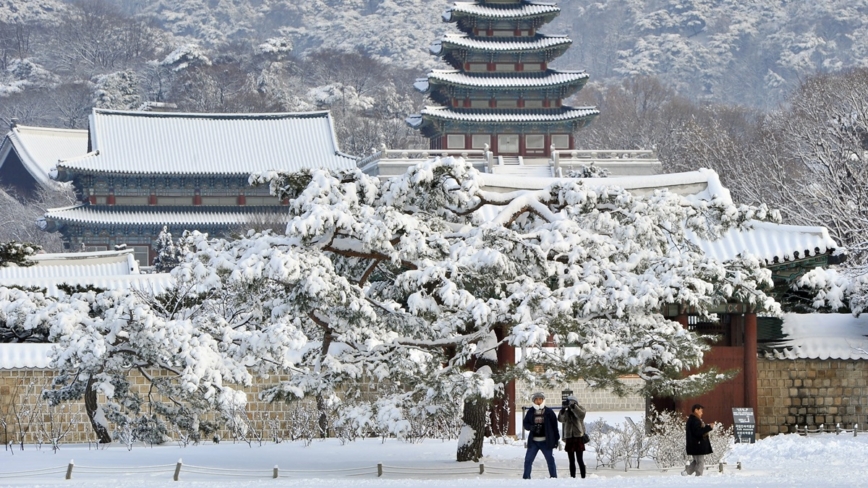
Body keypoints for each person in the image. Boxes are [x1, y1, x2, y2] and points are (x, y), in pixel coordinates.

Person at [523, 392, 560, 479]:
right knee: (528, 460)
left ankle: (553, 477)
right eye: (536, 399)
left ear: (543, 400)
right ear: (534, 401)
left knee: (550, 460)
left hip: (546, 442)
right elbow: (525, 423)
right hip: (533, 441)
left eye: (540, 399)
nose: (538, 401)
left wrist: (556, 440)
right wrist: (532, 427)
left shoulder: (549, 412)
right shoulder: (530, 412)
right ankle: (526, 478)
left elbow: (555, 427)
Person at [557, 395, 587, 478]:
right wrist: (562, 410)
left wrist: (574, 407)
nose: (570, 403)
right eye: (569, 402)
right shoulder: (567, 412)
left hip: (578, 437)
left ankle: (583, 477)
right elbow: (560, 419)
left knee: (580, 459)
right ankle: (572, 477)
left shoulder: (580, 409)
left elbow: (581, 415)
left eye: (572, 402)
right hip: (569, 438)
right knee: (571, 460)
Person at [683, 404, 715, 476]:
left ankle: (686, 472)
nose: (702, 413)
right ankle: (698, 475)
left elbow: (698, 430)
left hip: (695, 445)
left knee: (696, 461)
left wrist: (707, 427)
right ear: (696, 410)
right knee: (700, 462)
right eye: (701, 411)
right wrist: (708, 427)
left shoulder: (693, 420)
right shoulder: (695, 420)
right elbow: (698, 432)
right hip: (697, 445)